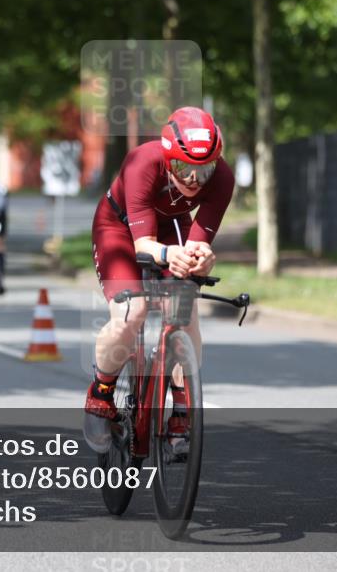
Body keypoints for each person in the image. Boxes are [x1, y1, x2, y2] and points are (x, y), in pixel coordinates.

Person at [83, 107, 234, 453]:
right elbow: (143, 245)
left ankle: (182, 407)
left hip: (170, 228)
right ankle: (100, 392)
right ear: (168, 159)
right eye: (184, 169)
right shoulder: (142, 162)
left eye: (204, 170)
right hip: (119, 228)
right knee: (132, 312)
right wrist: (170, 256)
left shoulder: (222, 179)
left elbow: (197, 243)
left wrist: (201, 259)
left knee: (185, 308)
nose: (195, 180)